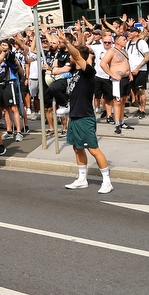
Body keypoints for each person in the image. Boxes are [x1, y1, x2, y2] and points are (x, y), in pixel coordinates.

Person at [51, 32, 114, 193]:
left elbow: (77, 56)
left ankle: (107, 181)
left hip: (85, 117)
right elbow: (62, 68)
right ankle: (82, 179)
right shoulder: (74, 72)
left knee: (93, 149)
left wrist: (66, 41)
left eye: (72, 56)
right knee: (77, 148)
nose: (69, 58)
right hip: (74, 116)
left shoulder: (88, 72)